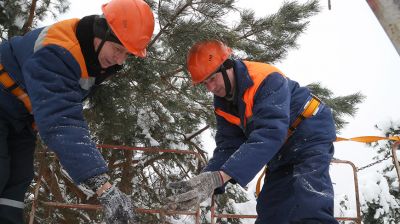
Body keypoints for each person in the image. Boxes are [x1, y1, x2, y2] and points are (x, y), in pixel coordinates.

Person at [0, 0, 154, 223]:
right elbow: (62, 120)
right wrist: (103, 186)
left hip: (20, 120)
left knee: (17, 179)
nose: (120, 60)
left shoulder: (90, 57)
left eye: (127, 54)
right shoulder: (61, 51)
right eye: (118, 49)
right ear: (101, 33)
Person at [166, 40, 338, 223]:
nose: (211, 88)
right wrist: (207, 181)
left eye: (212, 78)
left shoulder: (266, 79)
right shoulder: (223, 102)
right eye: (204, 83)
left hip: (308, 134)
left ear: (227, 66)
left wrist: (220, 177)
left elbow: (270, 133)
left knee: (310, 204)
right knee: (271, 213)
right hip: (280, 151)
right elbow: (228, 146)